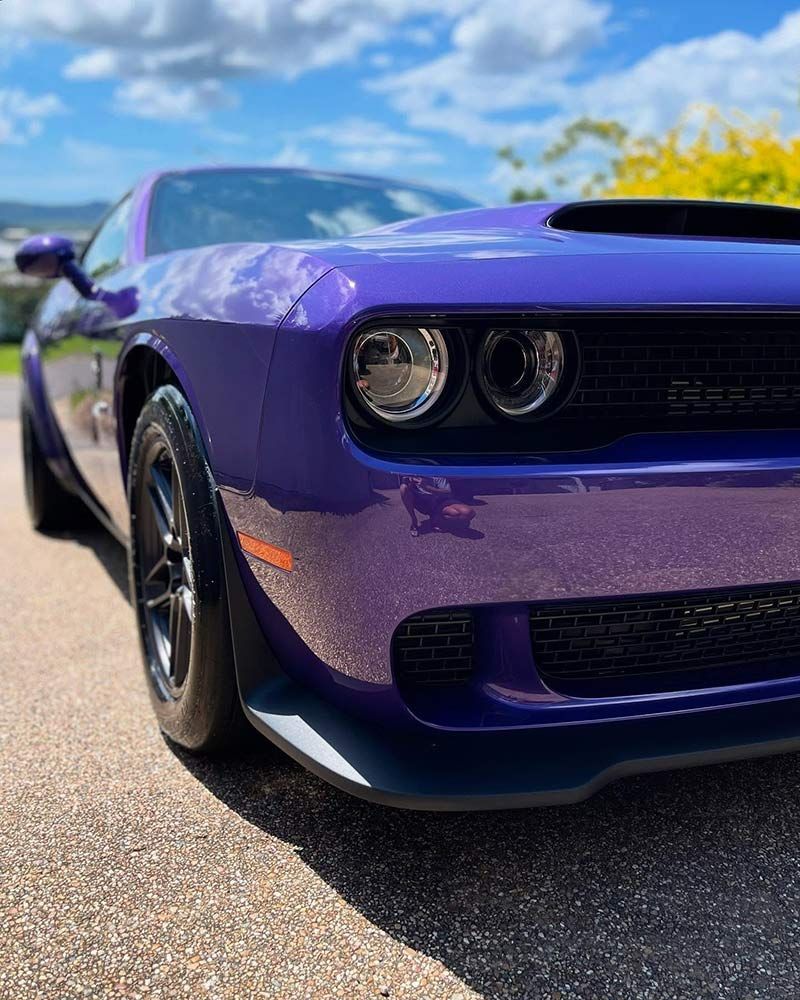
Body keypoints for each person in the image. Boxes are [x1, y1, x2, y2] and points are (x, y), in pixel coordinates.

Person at [399, 475, 476, 536]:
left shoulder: (436, 473)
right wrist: (410, 484)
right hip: (422, 503)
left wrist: (428, 488)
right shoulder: (410, 472)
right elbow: (406, 493)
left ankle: (437, 519)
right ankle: (414, 521)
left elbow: (448, 493)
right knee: (403, 488)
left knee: (468, 512)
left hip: (438, 502)